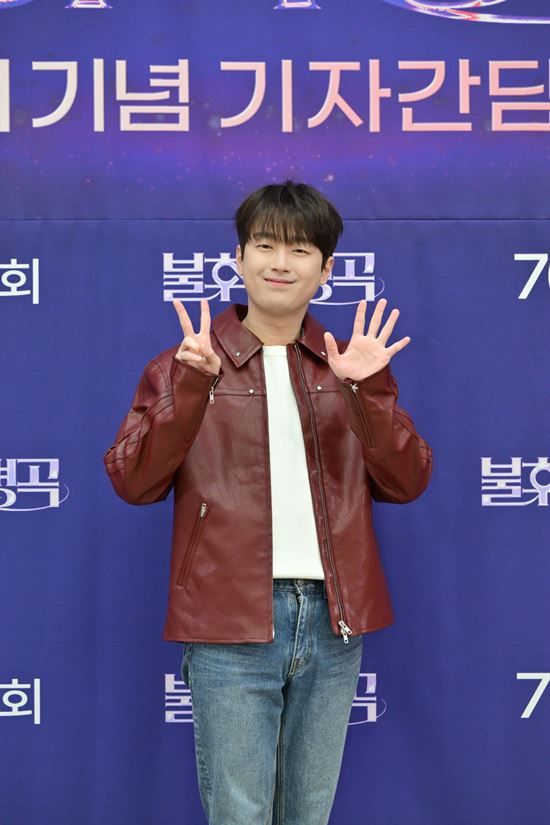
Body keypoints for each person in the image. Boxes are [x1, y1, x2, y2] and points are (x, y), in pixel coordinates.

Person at [103, 180, 432, 825]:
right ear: (239, 257)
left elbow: (407, 482)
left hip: (334, 619)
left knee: (309, 814)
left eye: (300, 250)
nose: (280, 263)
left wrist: (368, 393)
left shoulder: (350, 366)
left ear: (326, 270)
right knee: (241, 814)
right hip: (228, 620)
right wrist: (191, 387)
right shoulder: (187, 362)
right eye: (264, 246)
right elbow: (133, 481)